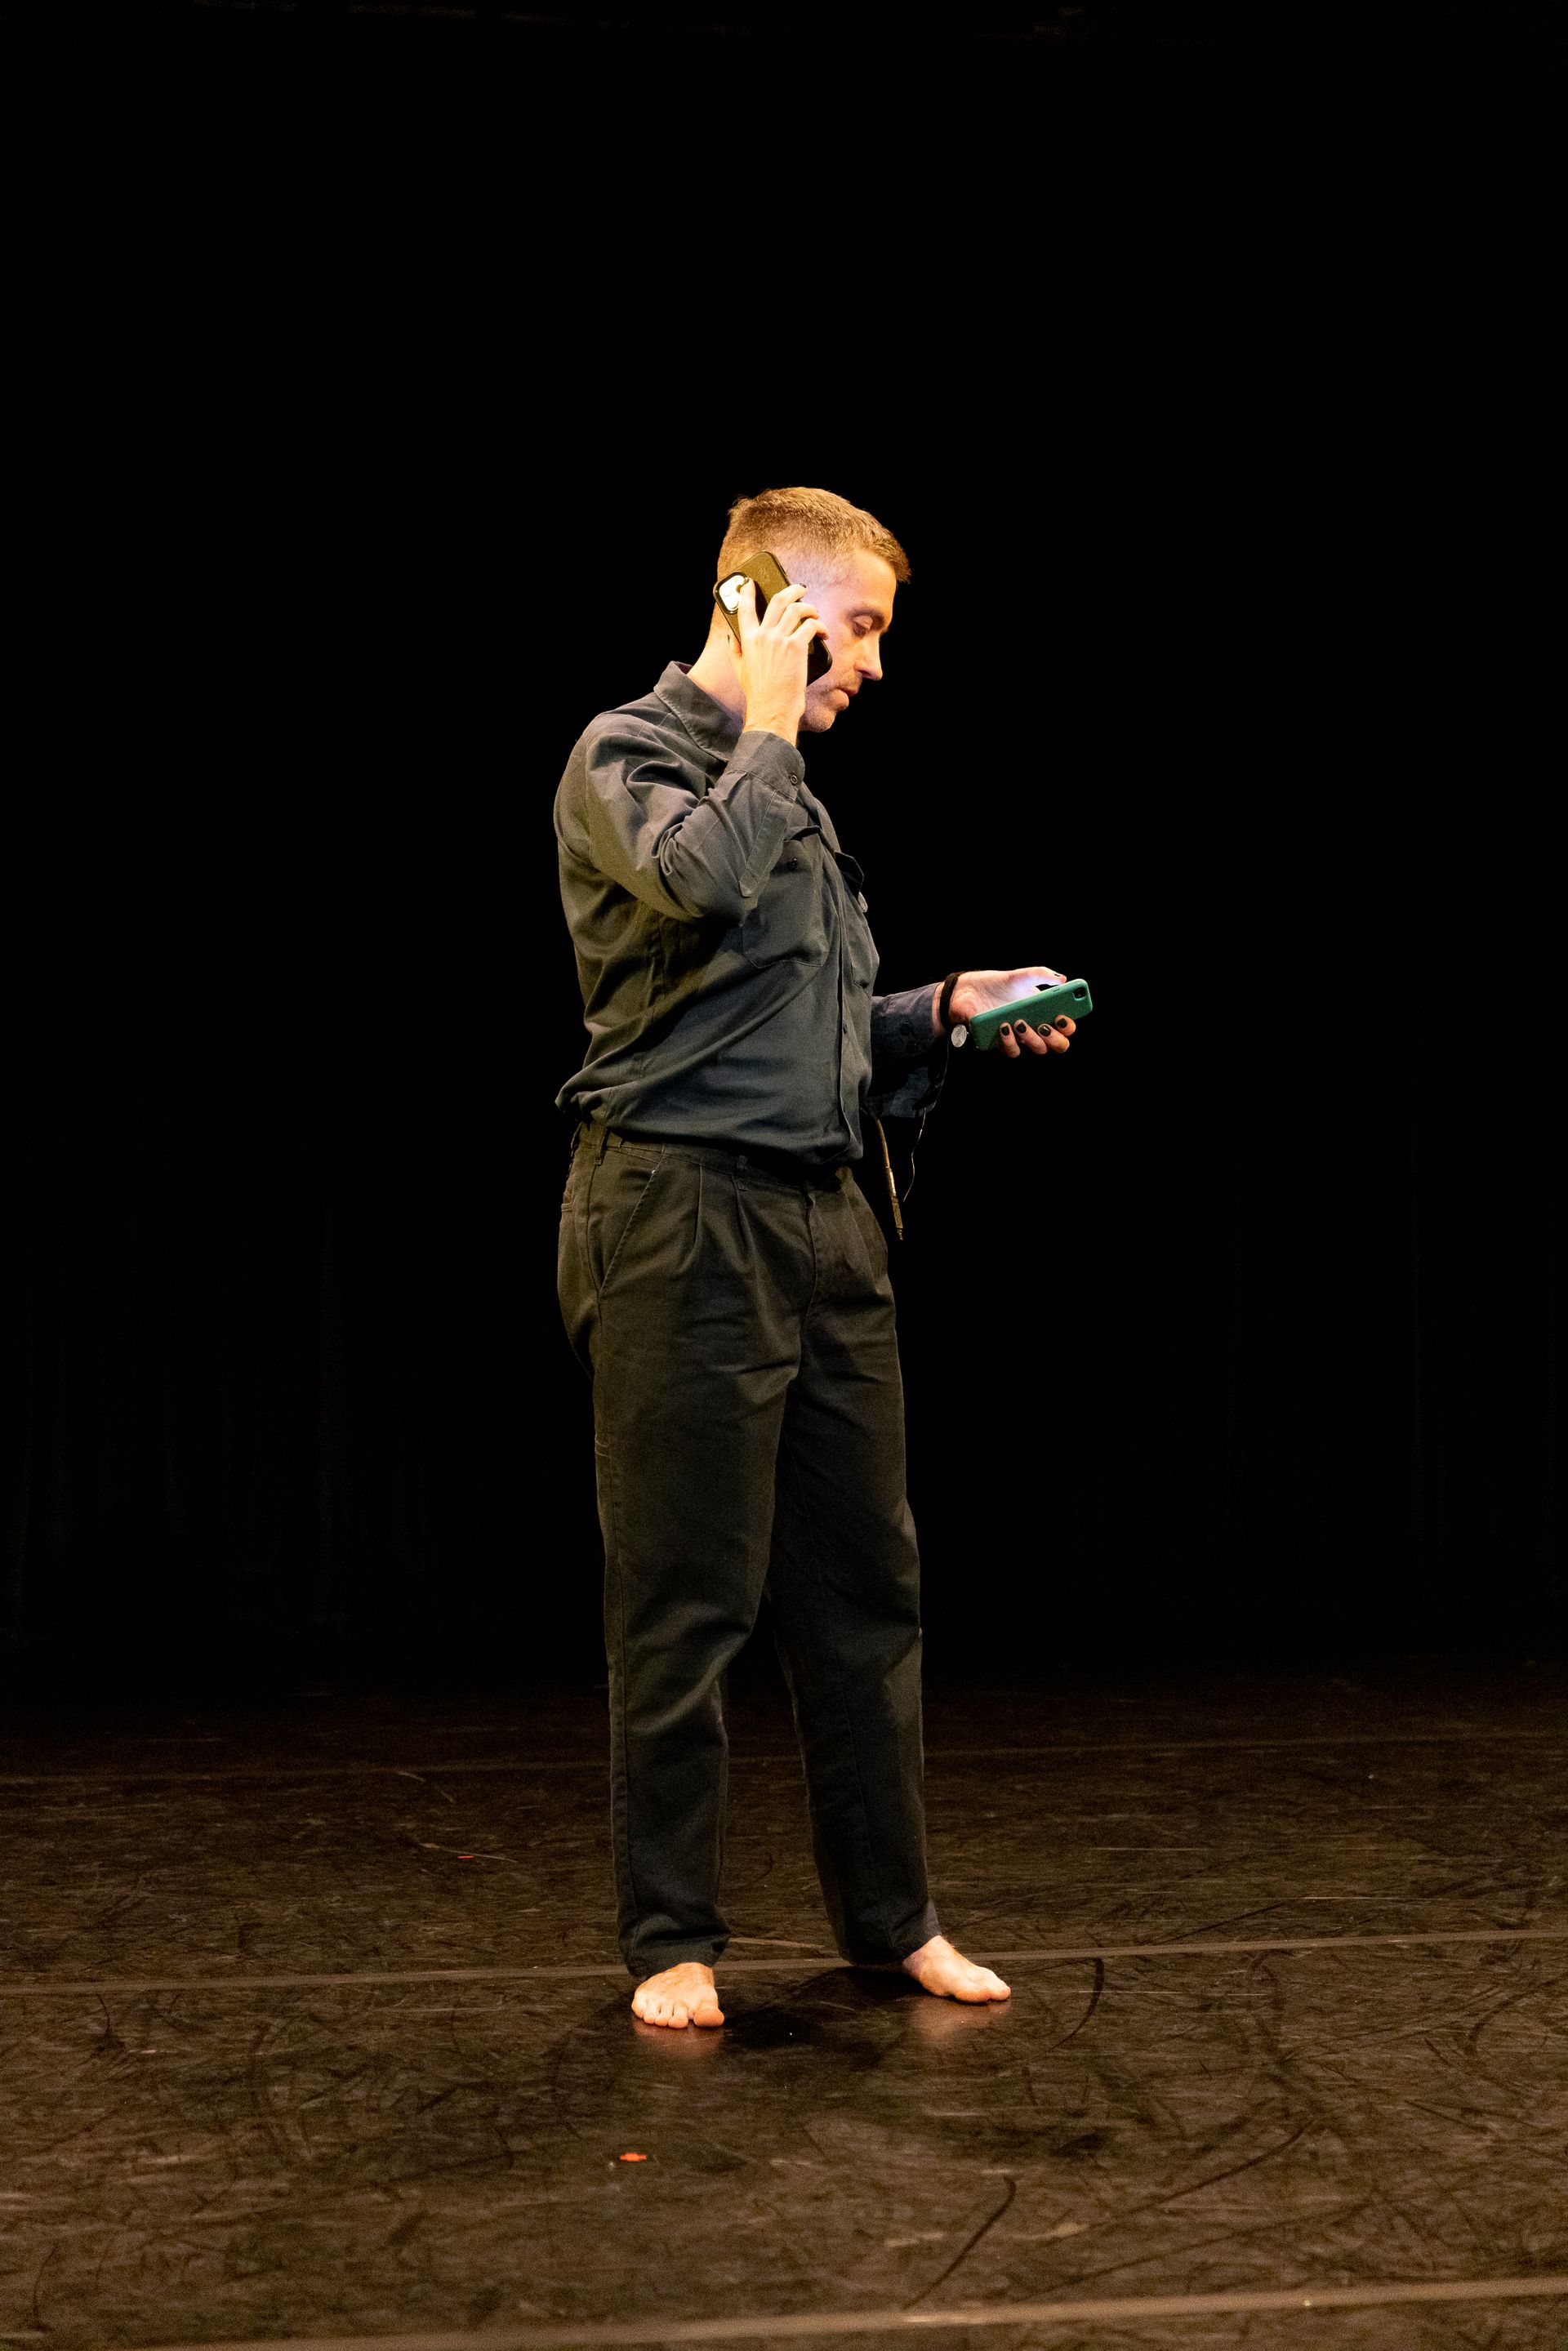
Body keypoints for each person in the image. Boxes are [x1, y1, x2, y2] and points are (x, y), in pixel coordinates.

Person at [554, 486, 1077, 2029]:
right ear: (757, 612)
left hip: (823, 1218)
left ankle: (892, 1918)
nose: (871, 664)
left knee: (868, 1588)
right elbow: (698, 884)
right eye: (854, 629)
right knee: (686, 1598)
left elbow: (806, 1031)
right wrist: (768, 728)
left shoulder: (796, 797)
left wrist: (948, 1008)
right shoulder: (626, 757)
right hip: (677, 1218)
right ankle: (670, 1938)